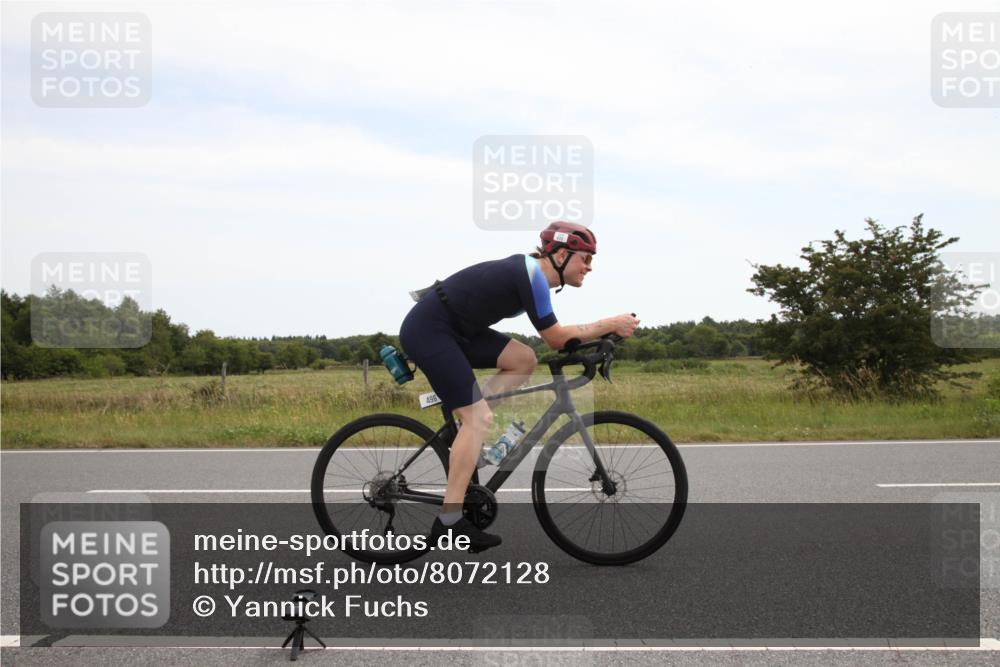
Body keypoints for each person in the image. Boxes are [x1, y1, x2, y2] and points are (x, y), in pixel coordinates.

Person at [398, 221, 639, 551]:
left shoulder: (533, 276)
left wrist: (599, 341)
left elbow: (557, 339)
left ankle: (465, 426)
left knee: (523, 359)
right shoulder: (530, 274)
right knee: (478, 418)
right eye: (585, 259)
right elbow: (555, 338)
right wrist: (609, 324)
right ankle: (449, 521)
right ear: (563, 254)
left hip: (458, 331)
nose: (589, 267)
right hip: (430, 330)